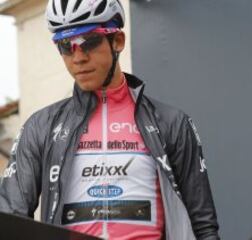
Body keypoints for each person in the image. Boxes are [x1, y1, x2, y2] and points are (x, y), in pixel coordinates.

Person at [0, 0, 220, 239]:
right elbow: (11, 217)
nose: (78, 57)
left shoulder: (171, 123)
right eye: (65, 46)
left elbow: (203, 227)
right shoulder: (40, 126)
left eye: (89, 42)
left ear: (118, 41)